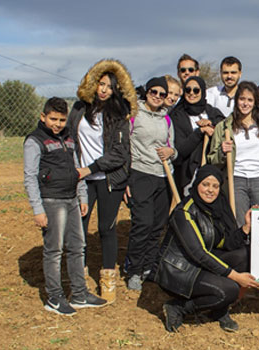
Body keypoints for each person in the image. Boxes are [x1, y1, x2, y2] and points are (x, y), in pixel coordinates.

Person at [23, 97, 107, 315]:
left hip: (71, 199)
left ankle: (79, 293)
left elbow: (77, 168)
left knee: (78, 247)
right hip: (51, 201)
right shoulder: (35, 140)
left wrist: (83, 197)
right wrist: (38, 209)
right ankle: (54, 297)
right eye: (53, 119)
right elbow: (30, 176)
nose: (57, 124)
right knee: (54, 250)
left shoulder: (69, 138)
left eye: (61, 119)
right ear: (43, 117)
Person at [154, 165, 259, 333]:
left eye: (215, 186)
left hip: (200, 264)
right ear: (196, 185)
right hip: (179, 271)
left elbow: (224, 243)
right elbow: (199, 253)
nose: (210, 190)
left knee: (244, 254)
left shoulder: (216, 208)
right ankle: (178, 307)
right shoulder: (184, 212)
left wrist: (246, 227)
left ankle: (219, 310)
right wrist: (236, 277)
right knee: (229, 290)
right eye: (205, 184)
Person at [68, 59, 137, 304]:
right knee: (80, 228)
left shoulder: (119, 115)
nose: (104, 89)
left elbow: (120, 153)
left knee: (107, 228)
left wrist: (91, 168)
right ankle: (80, 276)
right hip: (82, 180)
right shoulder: (78, 109)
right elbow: (68, 138)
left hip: (108, 179)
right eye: (101, 83)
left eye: (109, 86)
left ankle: (108, 276)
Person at [123, 77, 177, 292]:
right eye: (154, 92)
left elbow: (172, 147)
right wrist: (126, 178)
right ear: (146, 93)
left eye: (162, 94)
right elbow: (125, 147)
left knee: (157, 225)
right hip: (140, 174)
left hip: (163, 176)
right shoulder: (134, 116)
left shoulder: (167, 120)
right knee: (142, 224)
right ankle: (134, 270)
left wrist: (171, 152)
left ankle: (149, 267)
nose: (157, 96)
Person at [208, 81, 259, 225]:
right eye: (242, 99)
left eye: (250, 100)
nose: (245, 104)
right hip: (236, 180)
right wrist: (222, 152)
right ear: (236, 100)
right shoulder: (223, 127)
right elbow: (213, 159)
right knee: (239, 225)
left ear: (255, 102)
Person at [170, 76, 225, 196]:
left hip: (212, 172)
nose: (191, 93)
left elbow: (225, 133)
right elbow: (180, 150)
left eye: (196, 90)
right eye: (188, 90)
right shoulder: (177, 116)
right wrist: (199, 132)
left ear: (203, 91)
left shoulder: (213, 113)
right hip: (188, 174)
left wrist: (212, 128)